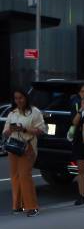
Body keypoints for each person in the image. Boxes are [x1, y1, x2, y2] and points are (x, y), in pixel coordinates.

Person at [3, 88, 46, 216]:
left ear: (26, 98)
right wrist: (11, 129)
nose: (18, 100)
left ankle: (32, 207)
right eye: (16, 98)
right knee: (15, 177)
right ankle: (18, 206)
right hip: (13, 147)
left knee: (24, 176)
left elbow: (41, 130)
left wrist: (24, 128)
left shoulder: (34, 112)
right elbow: (5, 132)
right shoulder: (12, 113)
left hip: (27, 148)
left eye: (20, 98)